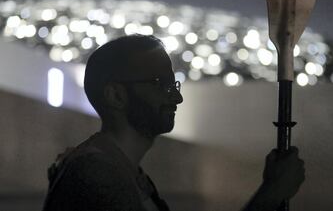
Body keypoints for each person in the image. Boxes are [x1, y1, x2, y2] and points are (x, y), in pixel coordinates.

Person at [42, 34, 305, 211]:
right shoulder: (95, 175)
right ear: (117, 95)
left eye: (174, 84)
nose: (177, 97)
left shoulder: (119, 170)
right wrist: (271, 194)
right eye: (161, 85)